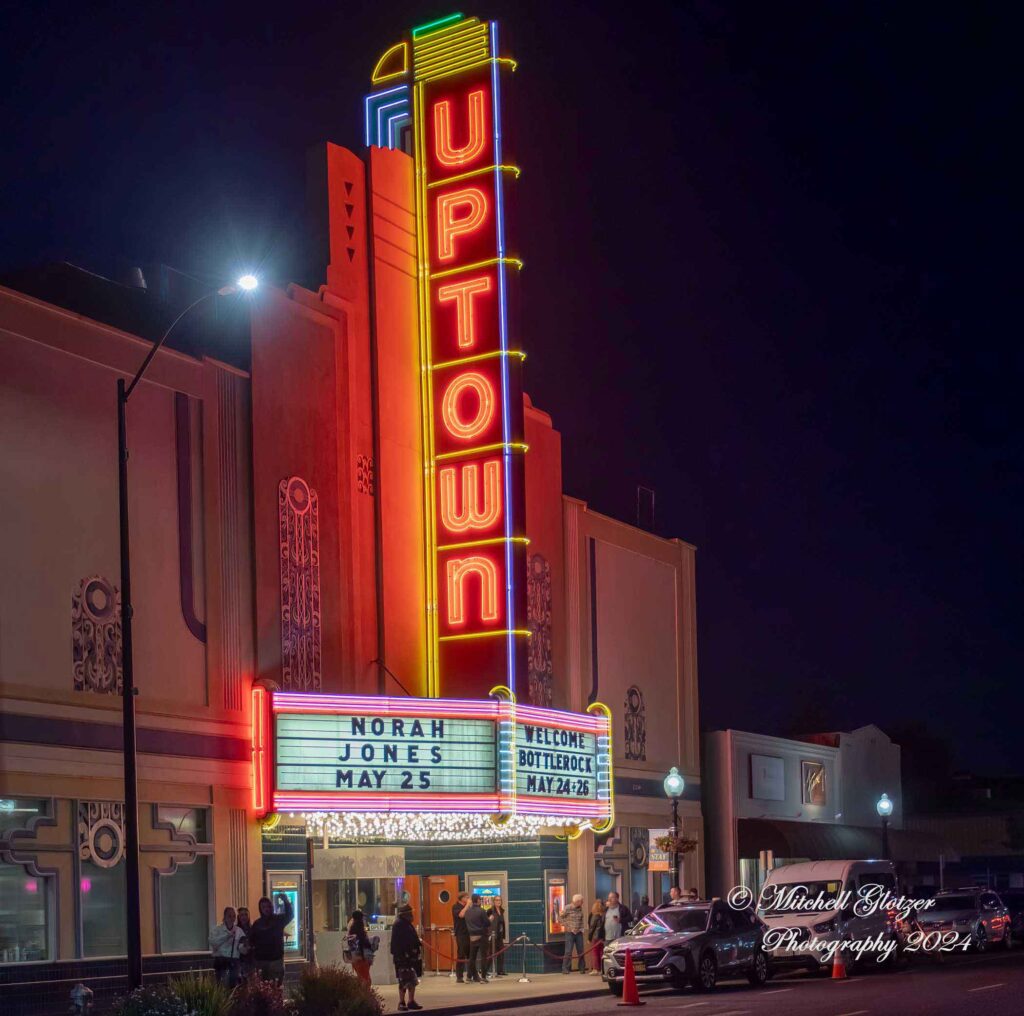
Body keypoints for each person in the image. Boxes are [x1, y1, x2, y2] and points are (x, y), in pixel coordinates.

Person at [248, 893, 294, 984]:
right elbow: (251, 940)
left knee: (276, 988)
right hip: (261, 961)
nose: (266, 909)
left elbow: (290, 915)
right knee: (263, 990)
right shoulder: (257, 924)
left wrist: (286, 901)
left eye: (268, 906)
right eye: (263, 907)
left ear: (271, 907)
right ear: (260, 909)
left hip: (275, 961)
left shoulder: (278, 919)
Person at [391, 903, 423, 1012]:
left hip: (410, 957)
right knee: (403, 980)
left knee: (412, 980)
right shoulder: (399, 925)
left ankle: (411, 1001)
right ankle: (401, 1002)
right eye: (410, 913)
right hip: (402, 958)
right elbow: (399, 943)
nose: (412, 915)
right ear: (405, 914)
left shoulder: (406, 924)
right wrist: (406, 954)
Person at [209, 906, 245, 986]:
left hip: (234, 963)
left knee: (233, 988)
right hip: (221, 962)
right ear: (224, 917)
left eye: (234, 916)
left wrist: (245, 947)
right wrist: (227, 936)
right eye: (229, 916)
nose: (232, 918)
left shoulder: (239, 931)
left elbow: (241, 947)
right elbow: (213, 943)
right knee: (221, 987)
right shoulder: (217, 930)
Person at [558, 893, 587, 973]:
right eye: (581, 901)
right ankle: (565, 969)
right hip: (570, 932)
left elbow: (581, 919)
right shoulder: (568, 908)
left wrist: (582, 929)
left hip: (579, 932)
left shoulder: (580, 908)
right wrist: (565, 925)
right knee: (568, 951)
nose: (582, 902)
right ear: (577, 901)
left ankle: (582, 968)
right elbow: (560, 918)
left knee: (581, 951)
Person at [465, 894, 489, 982]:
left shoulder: (467, 912)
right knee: (483, 957)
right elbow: (487, 923)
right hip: (482, 936)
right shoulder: (482, 911)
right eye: (480, 899)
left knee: (472, 958)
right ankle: (483, 977)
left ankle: (468, 977)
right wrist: (490, 919)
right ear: (478, 900)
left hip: (472, 937)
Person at [346, 909, 374, 986]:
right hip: (362, 957)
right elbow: (363, 942)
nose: (363, 919)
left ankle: (363, 995)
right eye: (362, 917)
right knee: (366, 980)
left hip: (355, 958)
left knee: (361, 978)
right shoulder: (359, 929)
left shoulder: (352, 928)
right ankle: (365, 996)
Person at [452, 891, 471, 983]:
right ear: (462, 898)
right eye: (466, 897)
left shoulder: (467, 907)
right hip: (461, 934)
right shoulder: (456, 907)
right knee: (461, 954)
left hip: (469, 933)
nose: (468, 899)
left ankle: (471, 975)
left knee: (471, 955)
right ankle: (459, 976)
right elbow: (461, 915)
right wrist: (467, 906)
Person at [587, 900, 605, 975]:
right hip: (602, 937)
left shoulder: (594, 916)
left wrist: (589, 938)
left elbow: (592, 928)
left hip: (595, 937)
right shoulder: (603, 916)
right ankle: (601, 969)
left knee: (595, 952)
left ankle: (595, 969)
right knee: (601, 952)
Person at [489, 896, 507, 977]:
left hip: (500, 934)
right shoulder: (490, 910)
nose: (498, 901)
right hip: (493, 935)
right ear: (494, 901)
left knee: (501, 952)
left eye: (500, 900)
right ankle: (483, 969)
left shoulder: (502, 911)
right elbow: (486, 922)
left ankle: (500, 970)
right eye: (496, 900)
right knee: (490, 953)